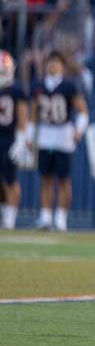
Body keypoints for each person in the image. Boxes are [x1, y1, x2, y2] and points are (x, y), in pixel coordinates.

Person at [31, 51, 88, 232]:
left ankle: (61, 217)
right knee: (45, 178)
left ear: (63, 67)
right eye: (50, 62)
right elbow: (33, 114)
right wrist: (29, 136)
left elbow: (82, 111)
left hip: (63, 134)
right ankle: (46, 216)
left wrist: (79, 130)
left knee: (63, 179)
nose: (52, 66)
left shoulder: (69, 86)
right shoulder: (38, 85)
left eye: (56, 63)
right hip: (46, 133)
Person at [0, 51, 28, 229]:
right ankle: (5, 211)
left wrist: (21, 140)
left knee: (10, 179)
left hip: (9, 138)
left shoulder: (16, 91)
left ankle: (10, 218)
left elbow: (23, 117)